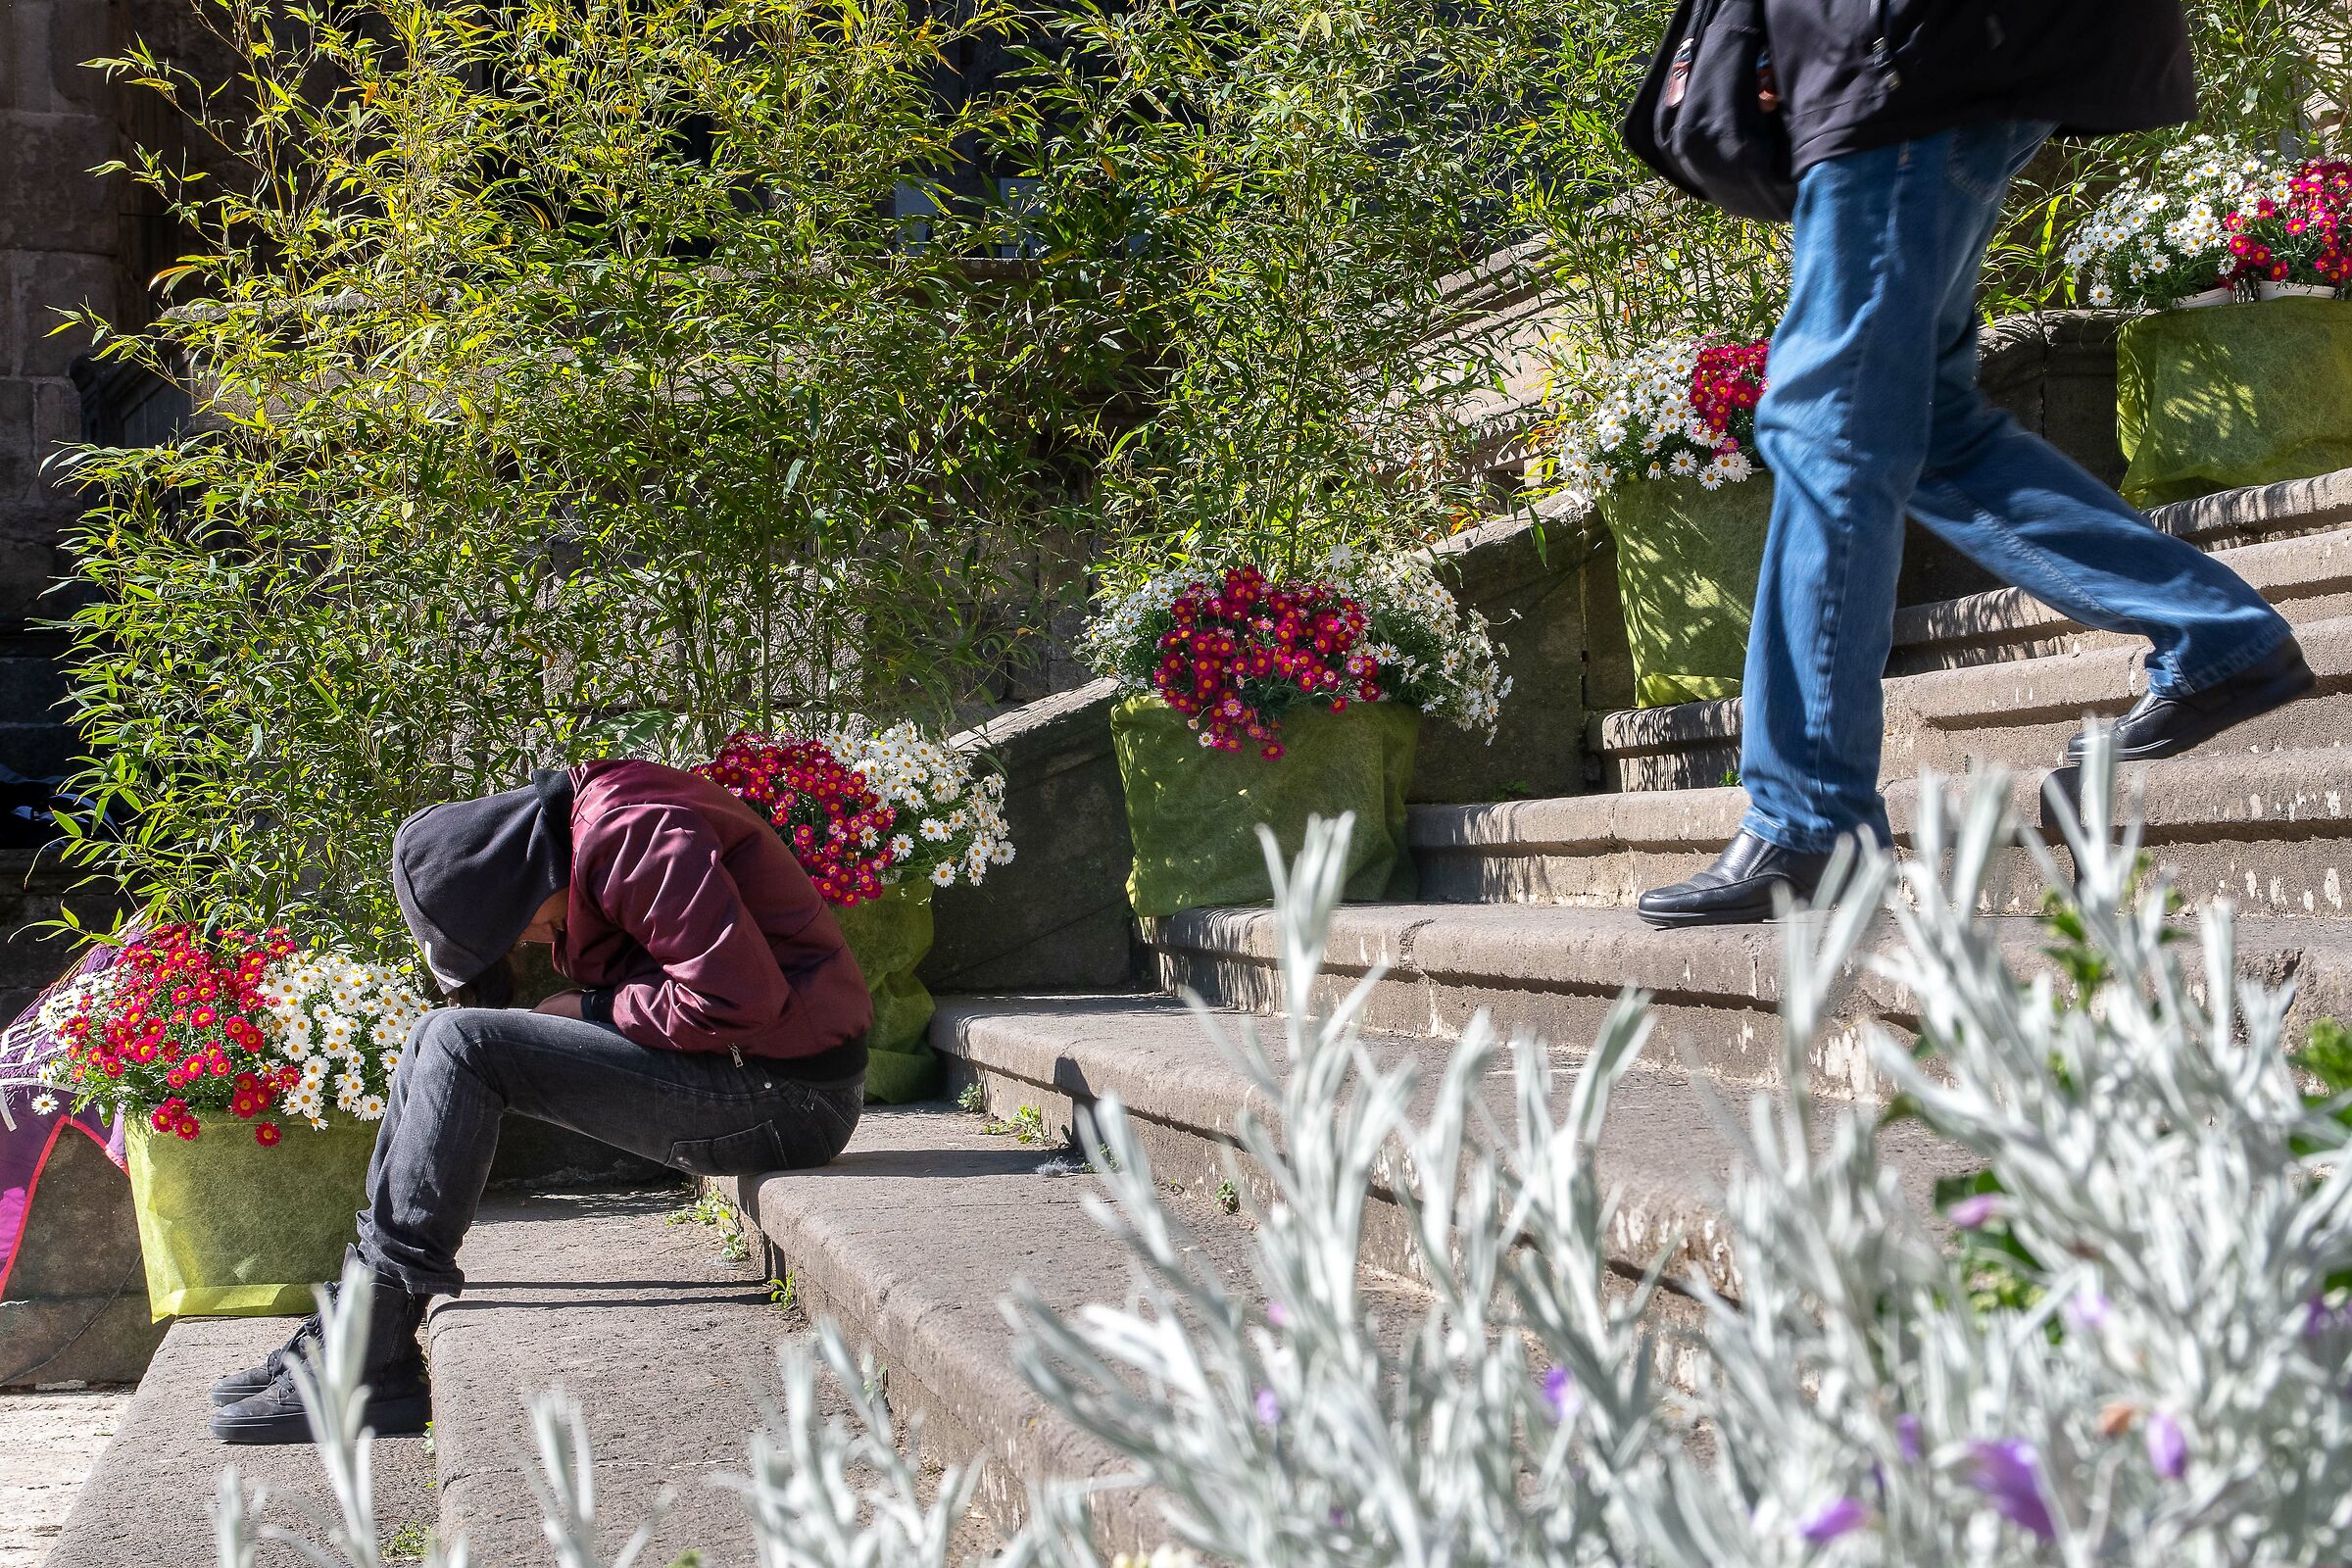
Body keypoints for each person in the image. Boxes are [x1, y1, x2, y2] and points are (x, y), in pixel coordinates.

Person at [1637, 0, 2312, 929]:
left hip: (1898, 59)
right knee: (1928, 427)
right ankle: (2213, 631)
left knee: (1823, 422)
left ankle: (1809, 817)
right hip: (1929, 61)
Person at [208, 758, 874, 1443]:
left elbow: (737, 997)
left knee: (464, 1043)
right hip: (755, 1073)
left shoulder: (629, 832)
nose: (534, 943)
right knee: (436, 1034)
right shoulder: (596, 827)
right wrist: (599, 1007)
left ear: (516, 889)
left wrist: (596, 1008)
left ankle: (368, 1351)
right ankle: (362, 1312)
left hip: (787, 1099)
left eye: (512, 933)